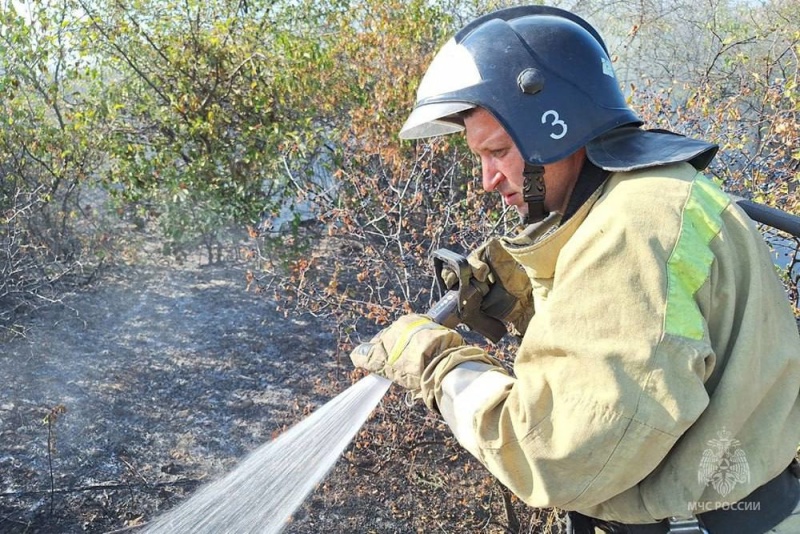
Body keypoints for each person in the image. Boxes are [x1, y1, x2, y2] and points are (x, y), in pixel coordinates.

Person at [349, 5, 800, 534]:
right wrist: (529, 288)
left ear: (554, 126)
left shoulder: (636, 230)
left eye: (496, 151)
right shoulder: (656, 194)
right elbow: (655, 339)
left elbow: (552, 453)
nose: (488, 180)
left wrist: (434, 365)